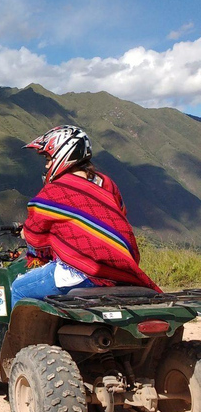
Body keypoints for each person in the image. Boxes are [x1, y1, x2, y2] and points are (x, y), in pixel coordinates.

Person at [10, 125, 160, 307]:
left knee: (18, 288)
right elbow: (117, 218)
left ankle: (19, 336)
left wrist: (26, 234)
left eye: (49, 158)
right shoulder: (106, 183)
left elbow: (35, 233)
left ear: (64, 155)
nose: (47, 164)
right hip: (120, 270)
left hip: (80, 271)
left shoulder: (55, 191)